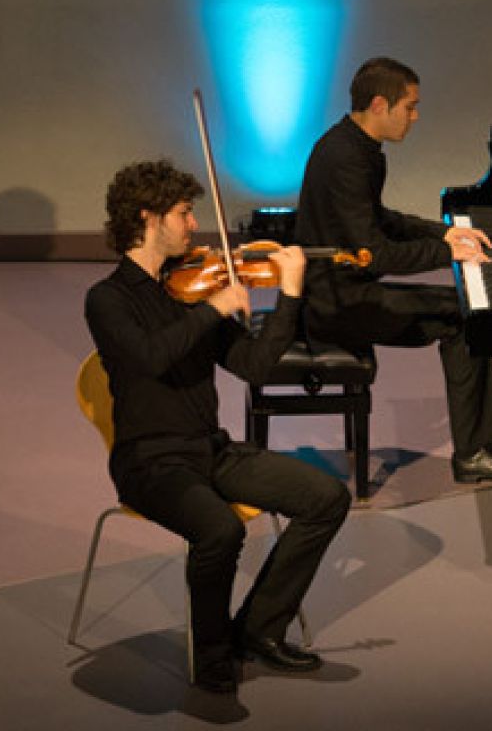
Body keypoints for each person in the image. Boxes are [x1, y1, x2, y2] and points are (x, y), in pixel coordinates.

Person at [84, 160, 351, 693]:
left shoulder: (186, 289)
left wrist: (289, 297)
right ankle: (211, 656)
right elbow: (148, 357)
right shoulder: (107, 298)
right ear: (148, 217)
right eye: (184, 213)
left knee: (327, 497)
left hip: (211, 451)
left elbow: (255, 366)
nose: (192, 225)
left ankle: (256, 630)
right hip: (150, 462)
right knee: (221, 530)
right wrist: (213, 308)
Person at [293, 56, 492, 483]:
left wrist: (443, 233)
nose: (415, 115)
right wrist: (448, 254)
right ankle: (474, 454)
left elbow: (380, 219)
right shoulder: (347, 158)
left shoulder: (354, 147)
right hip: (336, 306)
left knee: (463, 311)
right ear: (378, 105)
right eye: (409, 106)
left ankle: (489, 438)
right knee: (463, 318)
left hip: (346, 289)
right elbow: (377, 253)